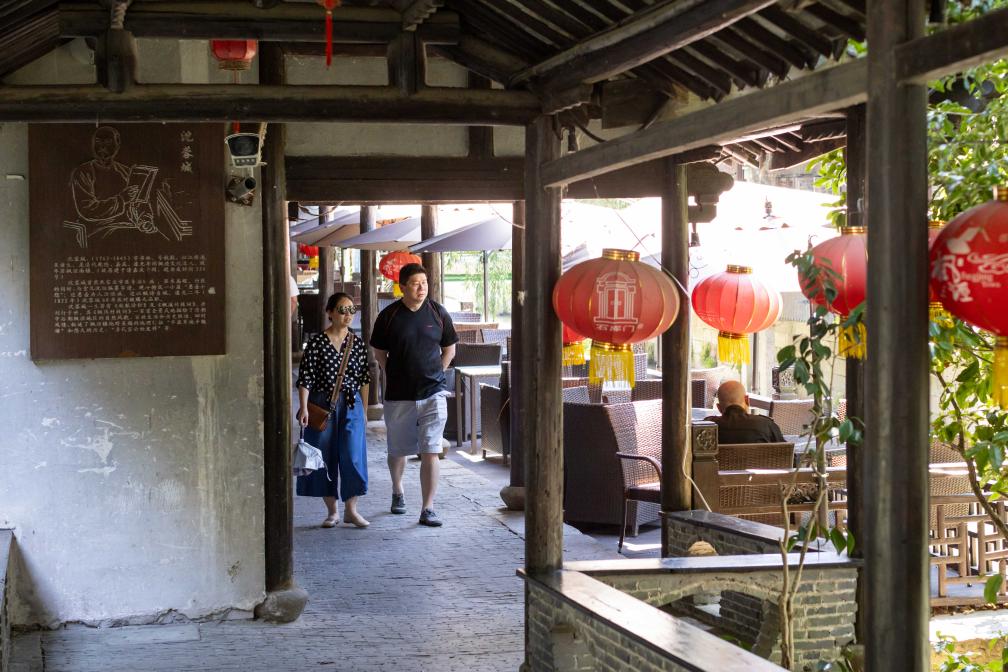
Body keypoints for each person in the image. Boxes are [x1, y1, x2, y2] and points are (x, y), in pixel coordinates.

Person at [370, 263, 457, 527]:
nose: (422, 288)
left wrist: (437, 373)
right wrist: (392, 372)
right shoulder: (389, 316)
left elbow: (449, 349)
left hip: (433, 393)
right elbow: (379, 352)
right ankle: (397, 490)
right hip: (399, 395)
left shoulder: (438, 312)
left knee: (431, 448)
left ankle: (428, 508)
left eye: (425, 283)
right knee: (398, 448)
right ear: (403, 287)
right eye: (416, 283)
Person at [295, 293, 371, 528]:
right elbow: (305, 378)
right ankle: (332, 512)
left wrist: (364, 411)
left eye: (351, 310)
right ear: (329, 312)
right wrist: (304, 407)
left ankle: (351, 510)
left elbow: (364, 379)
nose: (347, 315)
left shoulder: (357, 343)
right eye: (342, 310)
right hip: (321, 404)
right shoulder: (317, 343)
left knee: (353, 456)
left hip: (351, 405)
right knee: (323, 457)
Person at [704, 380, 785, 444]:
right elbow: (786, 452)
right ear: (747, 400)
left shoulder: (707, 428)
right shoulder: (766, 425)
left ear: (719, 408)